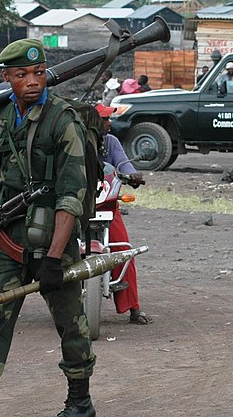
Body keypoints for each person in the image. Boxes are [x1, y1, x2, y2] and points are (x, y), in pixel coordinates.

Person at [0, 38, 95, 417]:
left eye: (38, 73)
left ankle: (79, 402)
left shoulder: (64, 120)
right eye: (21, 75)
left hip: (53, 236)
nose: (32, 81)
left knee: (71, 324)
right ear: (6, 77)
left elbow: (71, 196)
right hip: (6, 235)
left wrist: (54, 258)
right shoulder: (0, 115)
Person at [95, 103, 150, 325]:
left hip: (106, 203)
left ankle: (133, 308)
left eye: (109, 119)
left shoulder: (111, 142)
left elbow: (124, 164)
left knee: (123, 249)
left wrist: (133, 175)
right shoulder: (76, 140)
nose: (109, 123)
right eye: (104, 119)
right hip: (77, 203)